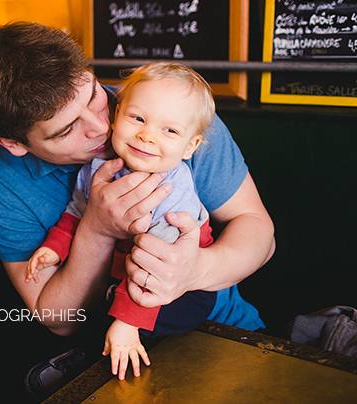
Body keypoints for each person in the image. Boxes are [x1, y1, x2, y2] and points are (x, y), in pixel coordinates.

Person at [0, 21, 275, 396]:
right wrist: (97, 229)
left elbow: (259, 231)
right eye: (65, 130)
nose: (100, 126)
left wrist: (194, 271)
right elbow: (59, 319)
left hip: (224, 329)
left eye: (94, 95)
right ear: (13, 143)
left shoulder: (170, 112)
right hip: (110, 356)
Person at [26, 62, 219, 381]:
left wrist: (129, 322)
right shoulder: (97, 168)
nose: (146, 135)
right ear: (115, 118)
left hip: (179, 284)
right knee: (97, 304)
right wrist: (55, 248)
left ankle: (120, 346)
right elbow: (77, 212)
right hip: (124, 275)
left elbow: (157, 263)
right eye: (138, 118)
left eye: (169, 130)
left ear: (190, 147)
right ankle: (104, 348)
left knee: (151, 314)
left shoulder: (172, 189)